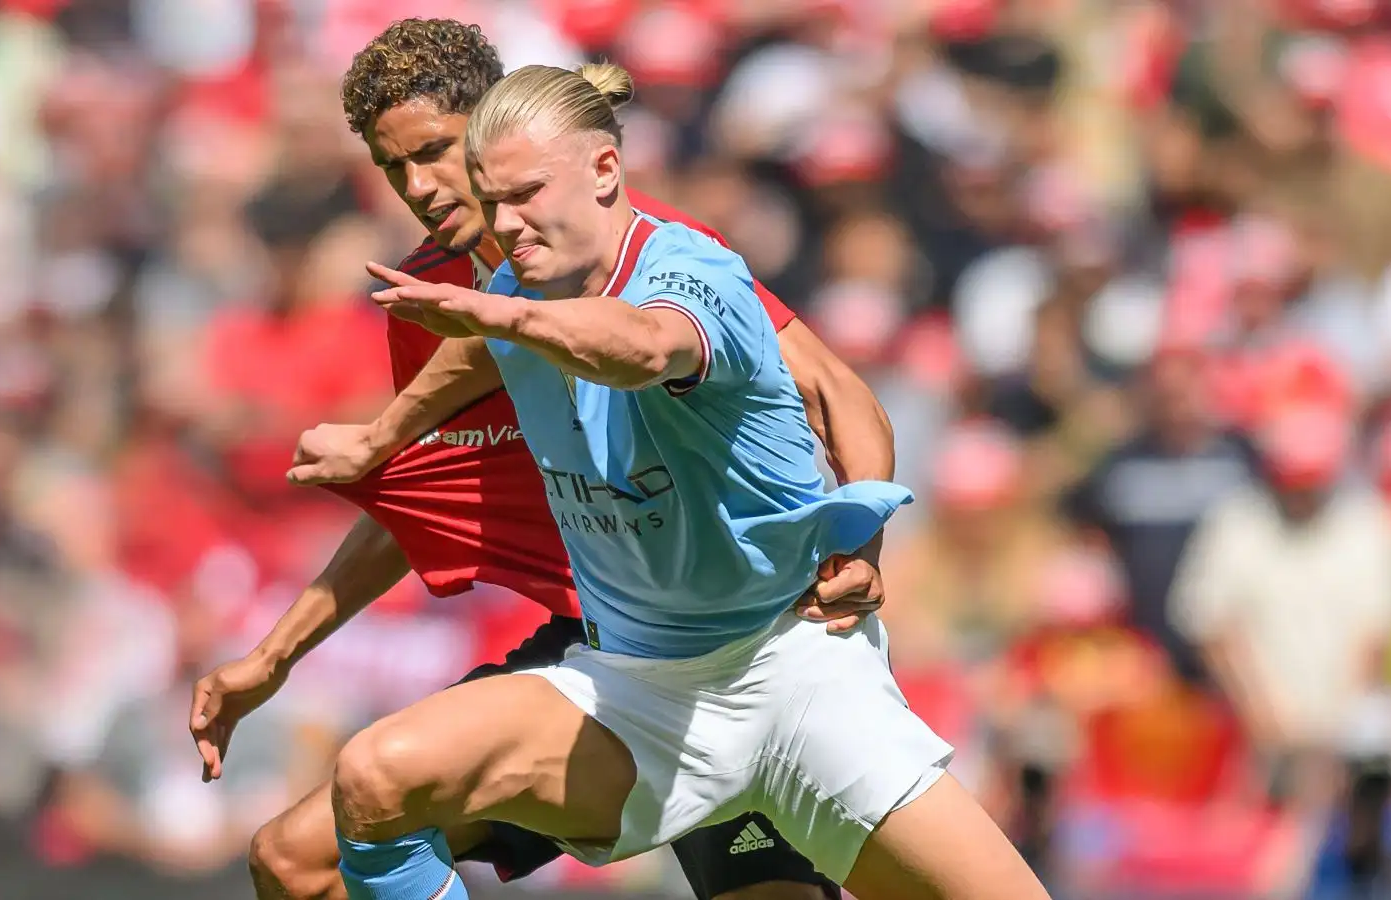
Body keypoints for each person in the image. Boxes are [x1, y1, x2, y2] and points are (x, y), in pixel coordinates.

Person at [189, 18, 893, 900]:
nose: (417, 185)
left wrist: (861, 544)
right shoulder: (431, 298)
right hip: (595, 661)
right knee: (298, 861)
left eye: (435, 151)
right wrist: (275, 657)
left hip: (734, 642)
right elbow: (434, 506)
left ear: (492, 123)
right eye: (391, 165)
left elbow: (837, 388)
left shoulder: (639, 245)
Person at [327, 61, 1050, 900]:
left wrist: (862, 539)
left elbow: (640, 349)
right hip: (638, 693)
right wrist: (382, 437)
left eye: (527, 194)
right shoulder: (510, 291)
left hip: (794, 676)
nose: (508, 224)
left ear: (606, 169)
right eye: (494, 204)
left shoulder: (691, 271)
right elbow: (477, 346)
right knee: (373, 778)